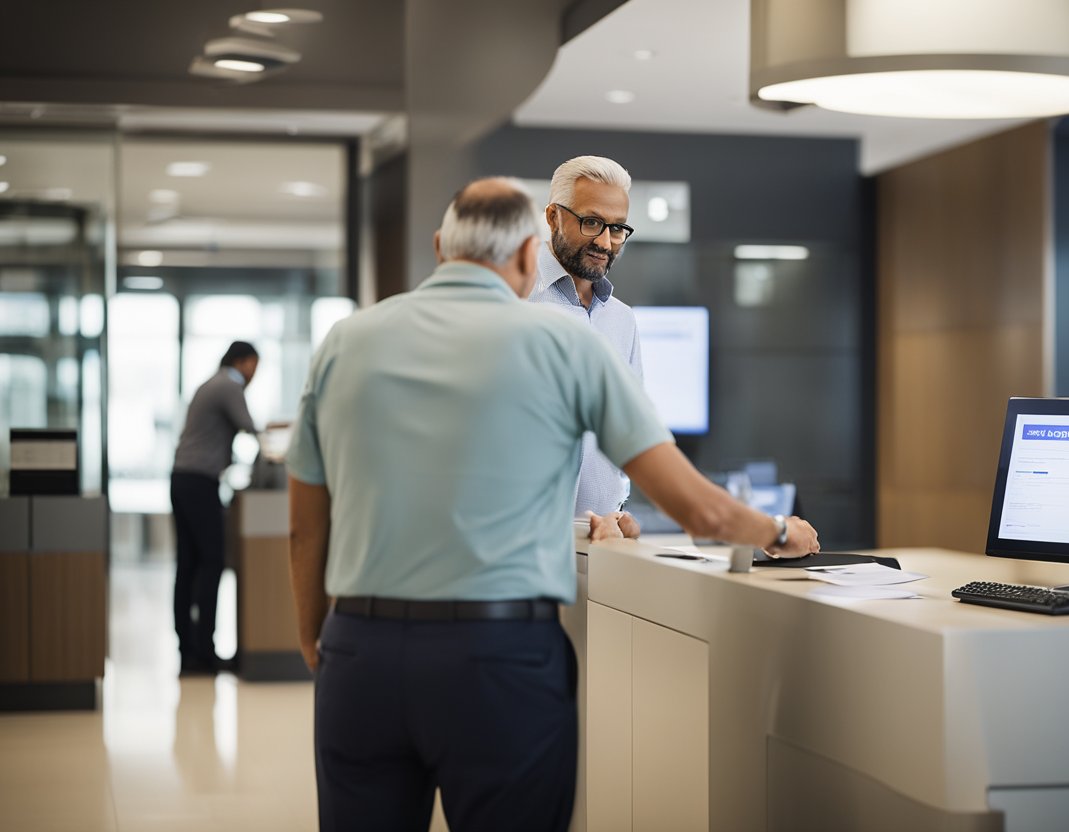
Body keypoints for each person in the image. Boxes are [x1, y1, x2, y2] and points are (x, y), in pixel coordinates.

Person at [285, 177, 819, 832]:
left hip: (361, 653)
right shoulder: (566, 343)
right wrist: (776, 529)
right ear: (526, 254)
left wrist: (317, 638)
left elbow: (304, 526)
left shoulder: (346, 341)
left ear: (440, 247)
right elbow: (694, 506)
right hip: (499, 658)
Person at [529, 155, 643, 538]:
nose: (605, 242)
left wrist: (620, 507)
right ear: (553, 217)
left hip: (602, 541)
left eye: (617, 228)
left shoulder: (622, 320)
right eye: (591, 222)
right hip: (522, 542)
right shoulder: (513, 300)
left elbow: (630, 429)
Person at [170, 340, 258, 676]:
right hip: (199, 482)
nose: (254, 374)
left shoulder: (210, 383)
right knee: (212, 562)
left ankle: (188, 651)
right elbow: (251, 427)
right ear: (243, 361)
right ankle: (205, 652)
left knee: (188, 564)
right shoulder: (229, 384)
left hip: (182, 478)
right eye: (254, 365)